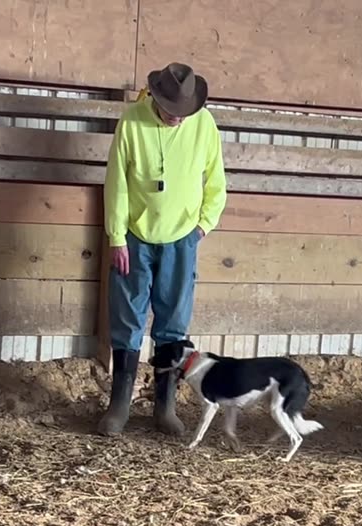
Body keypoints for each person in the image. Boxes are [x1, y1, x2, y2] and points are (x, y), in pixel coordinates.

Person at [97, 62, 227, 437]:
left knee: (173, 320)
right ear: (155, 98)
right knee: (126, 314)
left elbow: (216, 179)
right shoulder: (132, 122)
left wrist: (204, 224)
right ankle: (119, 404)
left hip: (182, 235)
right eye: (172, 111)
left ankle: (164, 406)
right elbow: (116, 182)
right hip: (136, 234)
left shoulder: (204, 125)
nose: (179, 119)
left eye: (185, 112)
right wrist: (116, 236)